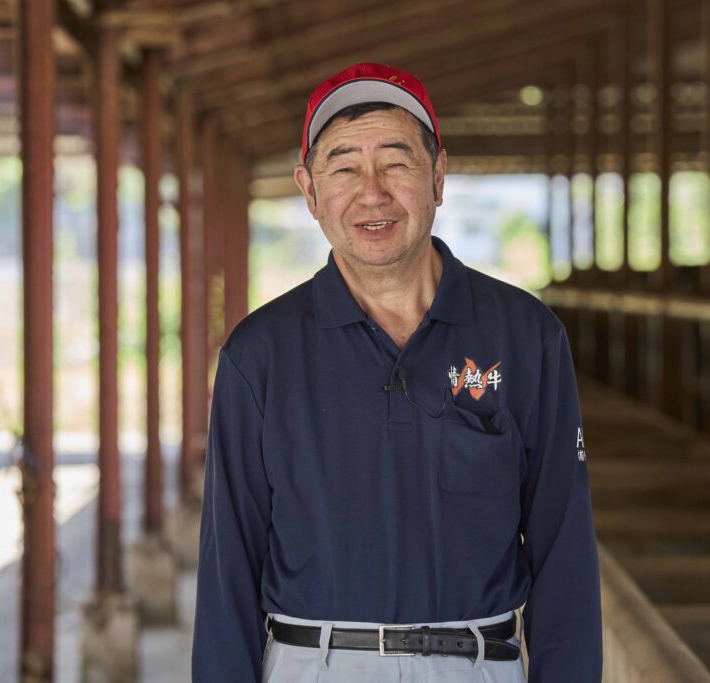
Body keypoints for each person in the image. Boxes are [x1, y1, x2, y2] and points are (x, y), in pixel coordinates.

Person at [191, 62, 602, 683]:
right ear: (309, 190)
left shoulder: (526, 337)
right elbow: (228, 569)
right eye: (344, 167)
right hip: (313, 665)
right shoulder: (259, 355)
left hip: (478, 665)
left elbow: (564, 551)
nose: (372, 192)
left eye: (397, 162)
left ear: (438, 176)